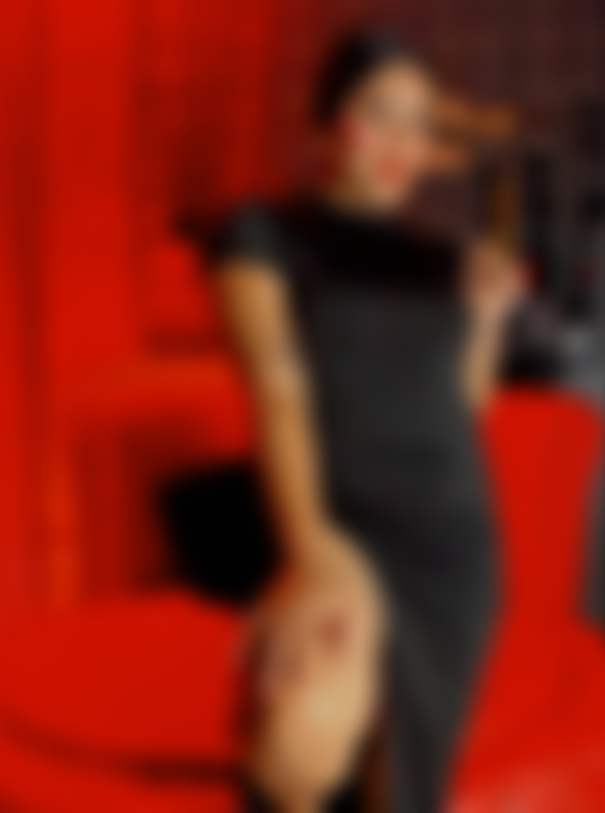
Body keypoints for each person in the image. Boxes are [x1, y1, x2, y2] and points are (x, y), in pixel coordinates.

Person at [205, 28, 525, 813]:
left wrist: (486, 320)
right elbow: (278, 388)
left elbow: (462, 403)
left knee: (399, 785)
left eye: (420, 125)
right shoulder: (261, 234)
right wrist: (310, 548)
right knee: (296, 748)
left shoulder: (445, 262)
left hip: (449, 549)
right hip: (339, 524)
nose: (400, 143)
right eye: (379, 113)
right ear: (325, 124)